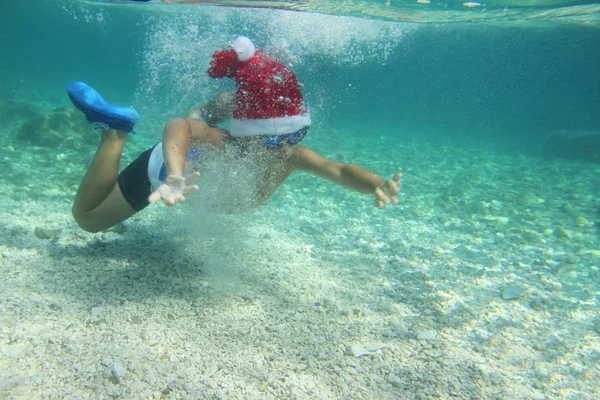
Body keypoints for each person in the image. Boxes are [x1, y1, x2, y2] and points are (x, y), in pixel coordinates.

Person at [68, 36, 402, 233]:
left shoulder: (291, 156)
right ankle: (116, 131)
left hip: (186, 165)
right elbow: (177, 127)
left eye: (294, 137)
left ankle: (229, 102)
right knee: (88, 219)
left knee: (202, 118)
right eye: (271, 140)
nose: (284, 148)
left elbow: (340, 170)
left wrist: (375, 184)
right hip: (163, 172)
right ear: (247, 138)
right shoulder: (223, 142)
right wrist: (172, 176)